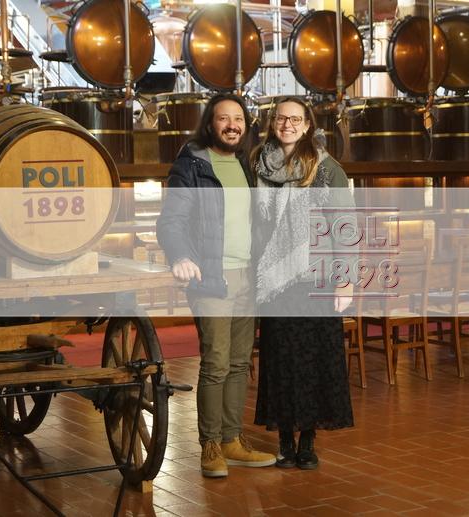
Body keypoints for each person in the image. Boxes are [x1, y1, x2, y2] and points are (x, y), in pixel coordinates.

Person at [157, 93, 275, 478]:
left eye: (238, 119)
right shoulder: (192, 164)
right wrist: (179, 255)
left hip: (248, 276)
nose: (232, 125)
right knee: (216, 362)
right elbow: (171, 220)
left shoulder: (246, 164)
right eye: (224, 118)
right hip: (212, 277)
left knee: (240, 363)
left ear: (246, 125)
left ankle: (231, 440)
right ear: (210, 123)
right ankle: (209, 445)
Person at [251, 97, 355, 470]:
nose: (288, 125)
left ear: (308, 125)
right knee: (281, 360)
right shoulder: (257, 164)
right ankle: (284, 439)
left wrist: (346, 281)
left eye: (296, 119)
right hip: (273, 280)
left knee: (315, 359)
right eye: (281, 118)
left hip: (317, 278)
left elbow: (345, 226)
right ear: (272, 122)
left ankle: (308, 441)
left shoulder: (327, 169)